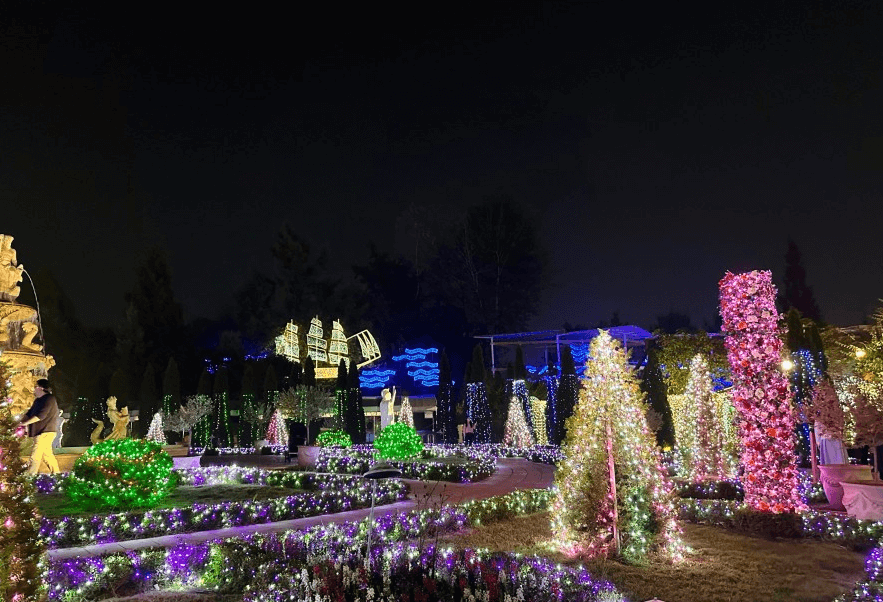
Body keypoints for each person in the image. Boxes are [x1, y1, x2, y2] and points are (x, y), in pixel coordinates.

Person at [18, 378, 61, 475]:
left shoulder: (49, 399)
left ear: (40, 388)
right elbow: (29, 413)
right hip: (41, 432)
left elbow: (41, 416)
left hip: (45, 432)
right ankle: (57, 475)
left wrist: (24, 424)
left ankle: (30, 477)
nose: (33, 389)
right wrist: (21, 422)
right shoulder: (38, 400)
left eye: (35, 387)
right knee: (47, 456)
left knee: (35, 455)